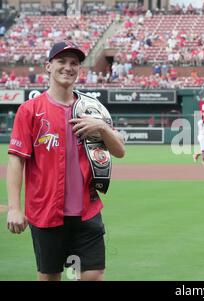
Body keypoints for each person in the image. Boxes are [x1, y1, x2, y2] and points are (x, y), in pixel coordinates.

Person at [6, 41, 126, 281]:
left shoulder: (90, 109)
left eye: (74, 63)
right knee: (50, 277)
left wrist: (101, 127)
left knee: (93, 275)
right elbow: (16, 160)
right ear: (48, 66)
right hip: (45, 211)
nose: (68, 67)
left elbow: (120, 151)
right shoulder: (30, 110)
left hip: (87, 211)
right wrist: (14, 208)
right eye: (61, 61)